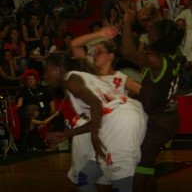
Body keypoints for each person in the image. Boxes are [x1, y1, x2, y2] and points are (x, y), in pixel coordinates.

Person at [44, 51, 147, 192]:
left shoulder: (69, 79)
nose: (45, 76)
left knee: (121, 183)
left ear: (60, 69)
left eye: (47, 70)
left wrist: (94, 136)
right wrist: (67, 134)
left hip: (121, 121)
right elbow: (99, 116)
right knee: (85, 178)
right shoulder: (82, 77)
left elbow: (95, 103)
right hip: (117, 119)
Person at [121, 8, 184, 192]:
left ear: (159, 39)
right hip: (167, 117)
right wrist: (150, 19)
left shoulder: (157, 61)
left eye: (153, 32)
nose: (149, 33)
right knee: (146, 167)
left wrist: (127, 22)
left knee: (141, 167)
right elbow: (163, 29)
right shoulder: (175, 54)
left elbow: (127, 52)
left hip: (158, 121)